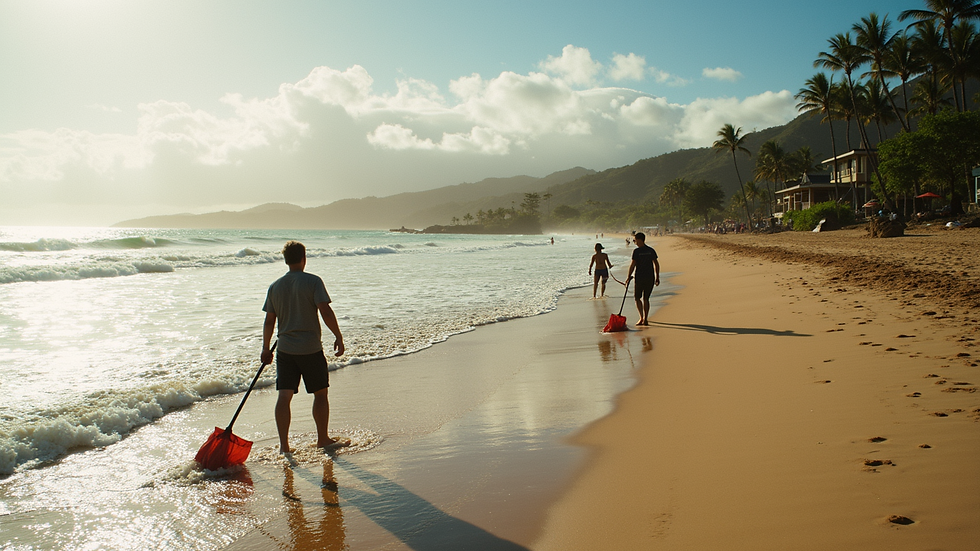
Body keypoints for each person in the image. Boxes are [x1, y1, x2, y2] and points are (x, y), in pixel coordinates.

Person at [262, 241, 347, 454]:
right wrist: (338, 335)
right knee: (320, 393)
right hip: (310, 348)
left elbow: (269, 321)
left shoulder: (275, 286)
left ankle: (284, 446)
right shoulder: (313, 281)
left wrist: (265, 348)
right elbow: (325, 311)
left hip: (285, 350)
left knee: (284, 396)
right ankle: (323, 439)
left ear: (285, 260)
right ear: (304, 258)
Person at [625, 232, 660, 326]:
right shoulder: (651, 250)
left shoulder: (637, 252)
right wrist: (657, 277)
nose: (634, 242)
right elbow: (656, 264)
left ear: (639, 240)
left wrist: (628, 277)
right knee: (646, 299)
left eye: (635, 240)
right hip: (650, 277)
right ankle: (645, 318)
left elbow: (633, 265)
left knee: (637, 298)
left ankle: (642, 318)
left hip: (640, 278)